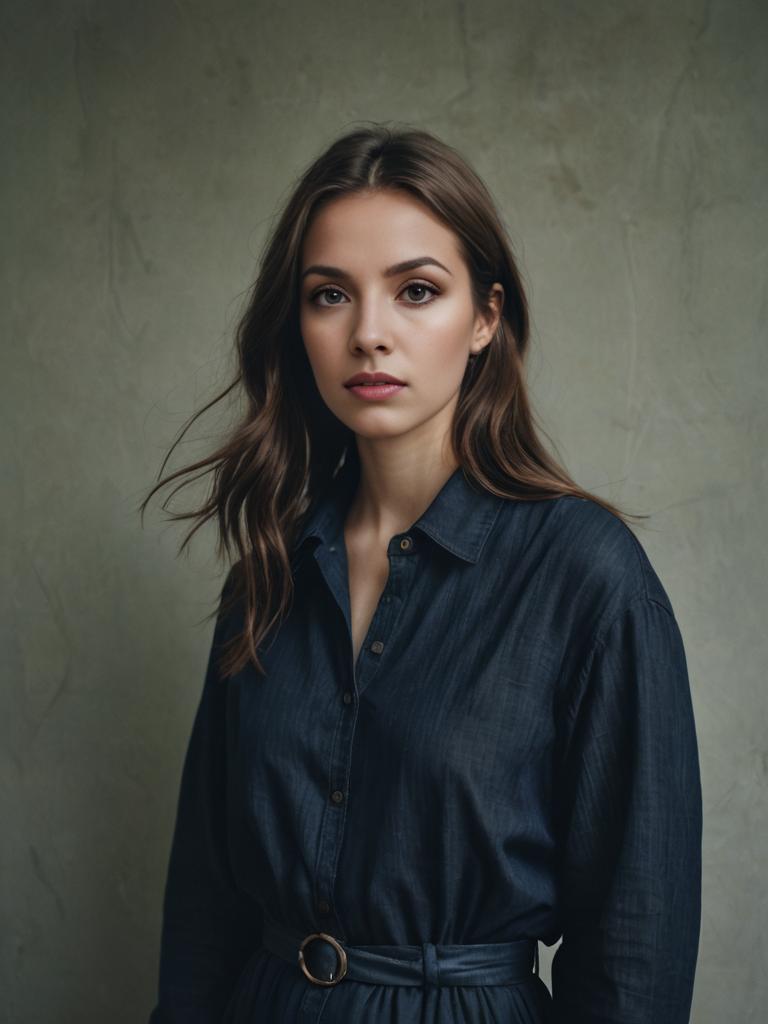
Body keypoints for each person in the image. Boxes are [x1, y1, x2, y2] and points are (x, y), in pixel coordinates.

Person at [142, 123, 702, 1023]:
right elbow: (204, 908)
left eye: (416, 291)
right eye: (330, 295)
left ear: (485, 316)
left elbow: (636, 942)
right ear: (300, 324)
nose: (370, 334)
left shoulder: (586, 577)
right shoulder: (267, 579)